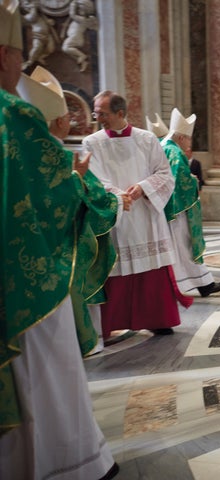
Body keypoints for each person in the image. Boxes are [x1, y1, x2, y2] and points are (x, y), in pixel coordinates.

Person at [0, 3, 118, 477]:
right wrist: (85, 189)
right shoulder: (14, 116)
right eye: (17, 50)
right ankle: (70, 464)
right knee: (46, 369)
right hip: (26, 279)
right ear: (5, 57)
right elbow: (54, 196)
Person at [17, 65, 127, 355]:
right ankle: (86, 342)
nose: (72, 120)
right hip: (65, 248)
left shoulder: (24, 153)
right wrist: (115, 201)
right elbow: (82, 197)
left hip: (30, 253)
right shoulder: (59, 157)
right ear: (57, 122)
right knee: (76, 292)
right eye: (67, 115)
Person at [84, 90, 192, 338]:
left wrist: (142, 188)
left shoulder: (147, 139)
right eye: (96, 112)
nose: (98, 117)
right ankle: (112, 322)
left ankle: (157, 318)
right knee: (116, 268)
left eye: (103, 113)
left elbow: (164, 173)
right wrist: (119, 197)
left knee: (151, 270)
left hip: (145, 213)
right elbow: (94, 179)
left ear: (120, 113)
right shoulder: (92, 142)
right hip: (117, 216)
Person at [162, 107, 220, 296]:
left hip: (167, 208)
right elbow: (180, 179)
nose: (190, 143)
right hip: (177, 210)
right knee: (185, 246)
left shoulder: (164, 146)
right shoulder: (174, 151)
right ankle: (201, 284)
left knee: (180, 248)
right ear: (181, 137)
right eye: (189, 138)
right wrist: (193, 180)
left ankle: (202, 283)